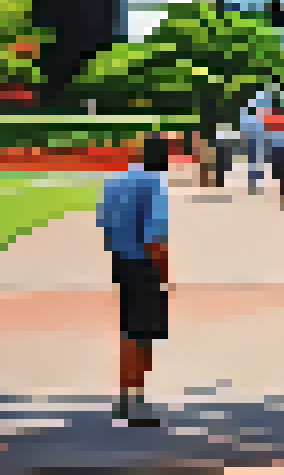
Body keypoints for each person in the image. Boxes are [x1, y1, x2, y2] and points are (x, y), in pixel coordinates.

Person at [99, 133, 172, 426]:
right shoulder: (155, 184)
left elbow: (104, 222)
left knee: (128, 330)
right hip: (145, 264)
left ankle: (125, 397)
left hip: (122, 260)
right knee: (143, 335)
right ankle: (136, 400)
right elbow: (157, 237)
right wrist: (164, 275)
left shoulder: (115, 180)